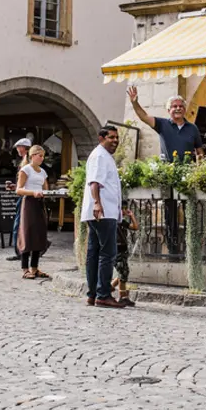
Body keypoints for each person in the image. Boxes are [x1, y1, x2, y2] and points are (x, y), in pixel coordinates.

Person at [127, 87, 205, 254]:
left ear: (185, 109)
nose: (177, 108)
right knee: (170, 214)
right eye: (174, 106)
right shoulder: (162, 124)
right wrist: (135, 103)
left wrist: (200, 170)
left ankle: (192, 249)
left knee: (190, 211)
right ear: (168, 110)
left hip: (188, 175)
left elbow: (199, 152)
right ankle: (173, 250)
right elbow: (144, 117)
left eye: (180, 106)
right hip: (168, 175)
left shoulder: (193, 129)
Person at [82, 126, 126, 309]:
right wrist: (97, 203)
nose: (115, 140)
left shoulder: (103, 156)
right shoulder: (100, 156)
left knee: (94, 253)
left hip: (101, 211)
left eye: (117, 138)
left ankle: (93, 294)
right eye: (111, 137)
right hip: (103, 211)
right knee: (108, 253)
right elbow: (95, 182)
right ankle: (103, 294)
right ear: (101, 138)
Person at [15, 145, 51, 280]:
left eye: (43, 156)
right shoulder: (26, 170)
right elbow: (18, 190)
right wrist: (33, 192)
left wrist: (47, 193)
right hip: (29, 203)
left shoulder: (42, 172)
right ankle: (25, 268)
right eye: (39, 155)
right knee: (27, 233)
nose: (42, 158)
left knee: (39, 234)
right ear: (32, 156)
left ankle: (34, 267)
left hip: (39, 203)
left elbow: (45, 188)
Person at [6, 137, 33, 261]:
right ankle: (23, 250)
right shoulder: (25, 161)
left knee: (19, 225)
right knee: (23, 224)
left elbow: (28, 182)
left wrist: (18, 187)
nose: (17, 149)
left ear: (23, 148)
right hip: (24, 195)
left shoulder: (27, 162)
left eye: (18, 147)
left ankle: (21, 251)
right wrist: (15, 186)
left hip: (24, 197)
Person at [111, 207, 139, 307]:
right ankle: (123, 297)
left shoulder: (122, 222)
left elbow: (135, 227)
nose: (124, 211)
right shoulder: (113, 221)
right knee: (122, 273)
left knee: (123, 272)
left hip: (123, 250)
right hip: (116, 250)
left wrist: (132, 216)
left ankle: (110, 288)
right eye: (122, 209)